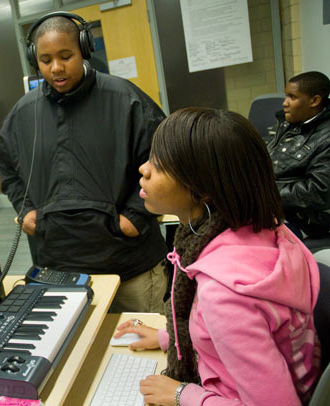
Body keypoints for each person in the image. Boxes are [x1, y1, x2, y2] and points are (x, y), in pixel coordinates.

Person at [114, 108, 320, 405]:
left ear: (202, 190)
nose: (143, 170)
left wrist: (181, 393)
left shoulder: (224, 294)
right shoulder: (265, 228)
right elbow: (242, 334)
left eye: (159, 165)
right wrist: (169, 339)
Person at [0, 12, 168, 313]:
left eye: (66, 56)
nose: (57, 68)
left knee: (144, 353)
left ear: (84, 50)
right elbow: (7, 165)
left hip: (127, 265)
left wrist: (135, 217)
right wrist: (25, 209)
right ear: (36, 60)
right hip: (57, 269)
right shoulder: (23, 114)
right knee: (76, 352)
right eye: (46, 60)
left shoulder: (126, 99)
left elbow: (164, 159)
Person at [268, 71, 330, 239]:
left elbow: (318, 191)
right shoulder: (291, 123)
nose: (284, 103)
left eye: (292, 97)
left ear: (315, 101)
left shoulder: (326, 136)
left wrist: (265, 192)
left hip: (306, 222)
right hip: (275, 208)